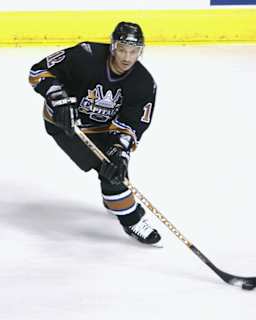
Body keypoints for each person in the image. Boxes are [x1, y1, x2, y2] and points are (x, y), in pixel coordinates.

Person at [28, 22, 161, 245]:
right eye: (122, 49)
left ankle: (115, 200)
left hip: (104, 130)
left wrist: (120, 151)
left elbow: (131, 124)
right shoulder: (85, 55)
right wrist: (59, 99)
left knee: (114, 166)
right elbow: (39, 71)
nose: (127, 57)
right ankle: (131, 220)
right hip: (67, 125)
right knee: (107, 170)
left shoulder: (144, 83)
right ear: (112, 46)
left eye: (133, 51)